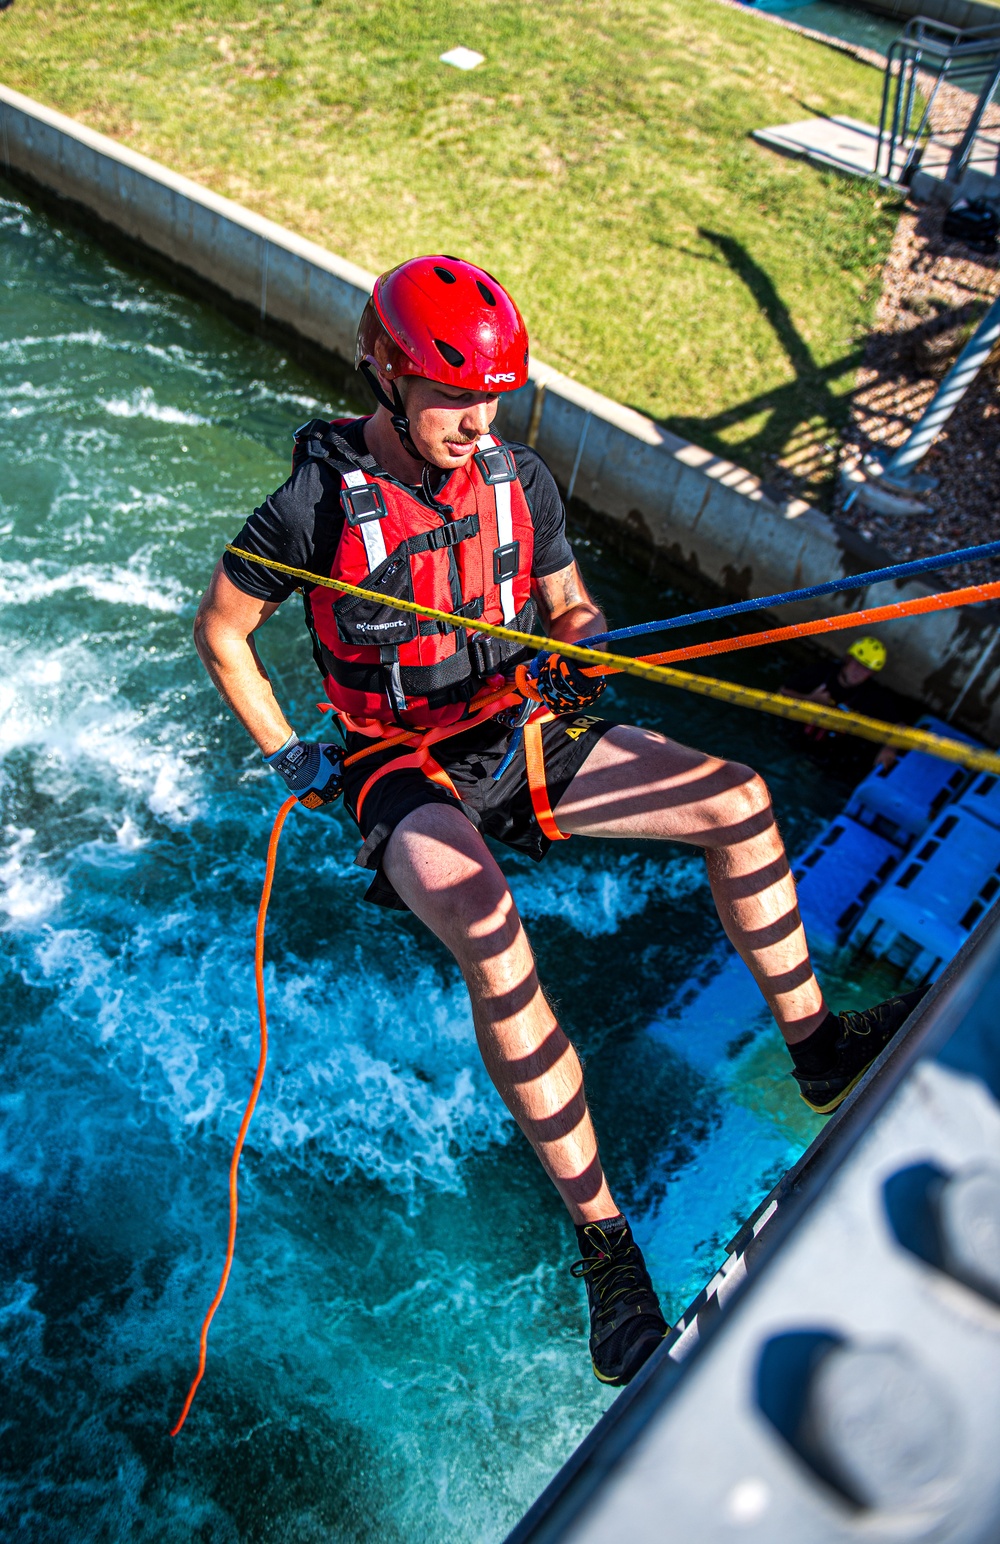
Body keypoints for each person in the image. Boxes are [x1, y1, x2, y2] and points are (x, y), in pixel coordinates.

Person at [193, 256, 924, 1388]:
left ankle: (818, 1045)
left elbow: (571, 599)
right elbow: (223, 633)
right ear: (383, 373)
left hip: (514, 729)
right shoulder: (310, 505)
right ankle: (607, 1248)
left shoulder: (515, 477)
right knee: (491, 927)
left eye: (489, 398)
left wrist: (578, 650)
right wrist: (291, 751)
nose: (472, 423)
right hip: (398, 762)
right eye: (449, 397)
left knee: (740, 800)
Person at [781, 636, 911, 775]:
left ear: (872, 673)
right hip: (794, 738)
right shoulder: (822, 672)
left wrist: (890, 749)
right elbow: (782, 693)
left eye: (866, 669)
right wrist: (809, 699)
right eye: (857, 664)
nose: (859, 672)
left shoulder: (873, 696)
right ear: (848, 659)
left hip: (832, 756)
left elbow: (899, 726)